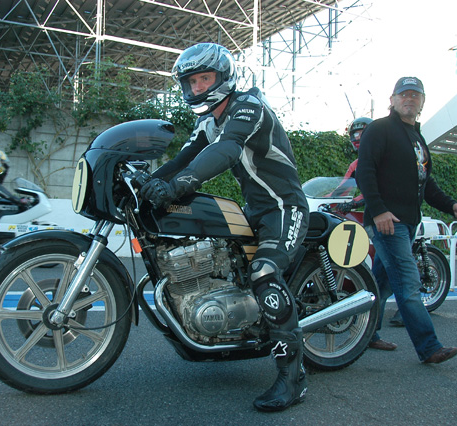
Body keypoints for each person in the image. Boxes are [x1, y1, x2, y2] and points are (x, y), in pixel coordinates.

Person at [139, 43, 310, 412]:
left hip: (284, 208)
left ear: (224, 77)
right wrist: (147, 182)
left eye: (205, 78)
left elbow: (227, 150)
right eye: (192, 81)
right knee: (224, 262)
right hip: (254, 210)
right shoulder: (208, 120)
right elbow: (187, 157)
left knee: (264, 273)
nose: (198, 87)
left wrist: (180, 185)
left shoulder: (248, 106)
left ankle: (292, 377)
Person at [356, 76, 457, 363]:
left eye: (415, 95)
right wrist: (379, 210)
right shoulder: (379, 130)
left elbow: (426, 184)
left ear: (422, 102)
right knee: (408, 285)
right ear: (392, 100)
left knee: (380, 284)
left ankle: (365, 333)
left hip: (407, 222)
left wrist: (452, 205)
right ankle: (429, 347)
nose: (409, 99)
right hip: (387, 222)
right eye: (404, 94)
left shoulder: (417, 139)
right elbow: (365, 172)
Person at [334, 117, 372, 213]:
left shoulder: (386, 158)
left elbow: (376, 191)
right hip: (373, 215)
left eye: (362, 133)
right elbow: (342, 191)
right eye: (356, 134)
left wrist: (354, 202)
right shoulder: (355, 165)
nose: (358, 137)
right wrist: (322, 200)